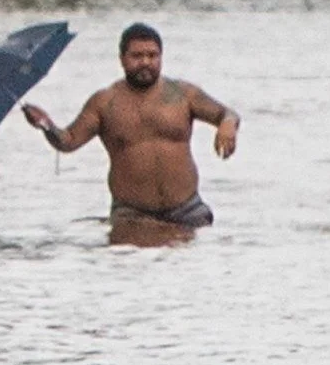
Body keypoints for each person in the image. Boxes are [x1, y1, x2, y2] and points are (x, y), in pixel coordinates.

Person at [20, 22, 237, 230]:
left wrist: (227, 124)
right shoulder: (105, 102)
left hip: (188, 210)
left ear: (161, 58)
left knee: (192, 259)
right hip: (132, 213)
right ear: (122, 59)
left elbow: (227, 114)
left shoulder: (183, 94)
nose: (145, 62)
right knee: (129, 256)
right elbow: (68, 141)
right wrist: (47, 125)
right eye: (137, 56)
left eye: (152, 56)